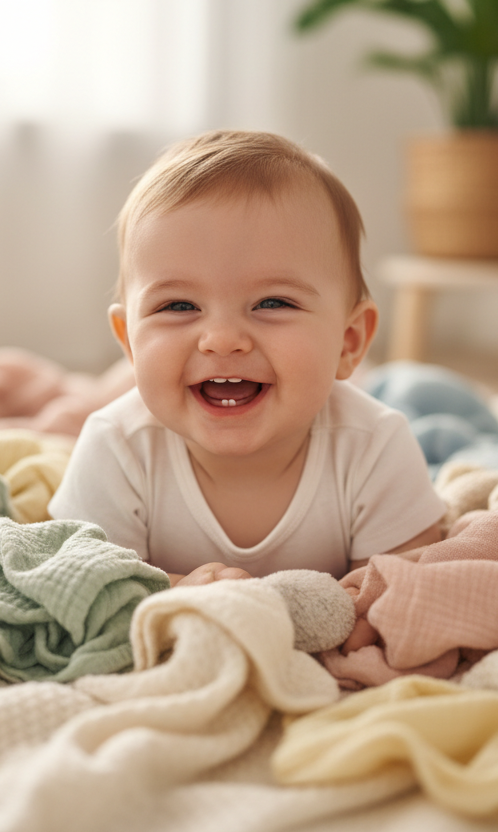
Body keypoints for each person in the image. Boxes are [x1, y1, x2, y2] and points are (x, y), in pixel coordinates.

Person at [47, 130, 445, 586]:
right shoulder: (117, 446)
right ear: (130, 344)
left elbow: (404, 595)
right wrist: (180, 591)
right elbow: (84, 586)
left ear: (349, 342)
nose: (222, 340)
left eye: (273, 303)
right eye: (178, 306)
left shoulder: (376, 446)